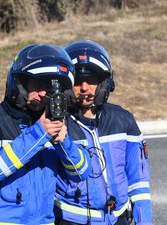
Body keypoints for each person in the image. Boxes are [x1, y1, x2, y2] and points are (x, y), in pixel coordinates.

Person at [0, 44, 91, 225]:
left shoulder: (54, 121)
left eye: (50, 88)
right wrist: (39, 133)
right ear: (20, 84)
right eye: (39, 84)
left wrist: (63, 142)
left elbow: (81, 172)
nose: (44, 93)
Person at [54, 40, 153, 225]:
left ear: (103, 83)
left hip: (118, 218)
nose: (85, 88)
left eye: (91, 80)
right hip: (72, 220)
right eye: (77, 81)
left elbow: (138, 181)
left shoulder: (123, 120)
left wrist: (144, 221)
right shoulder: (54, 124)